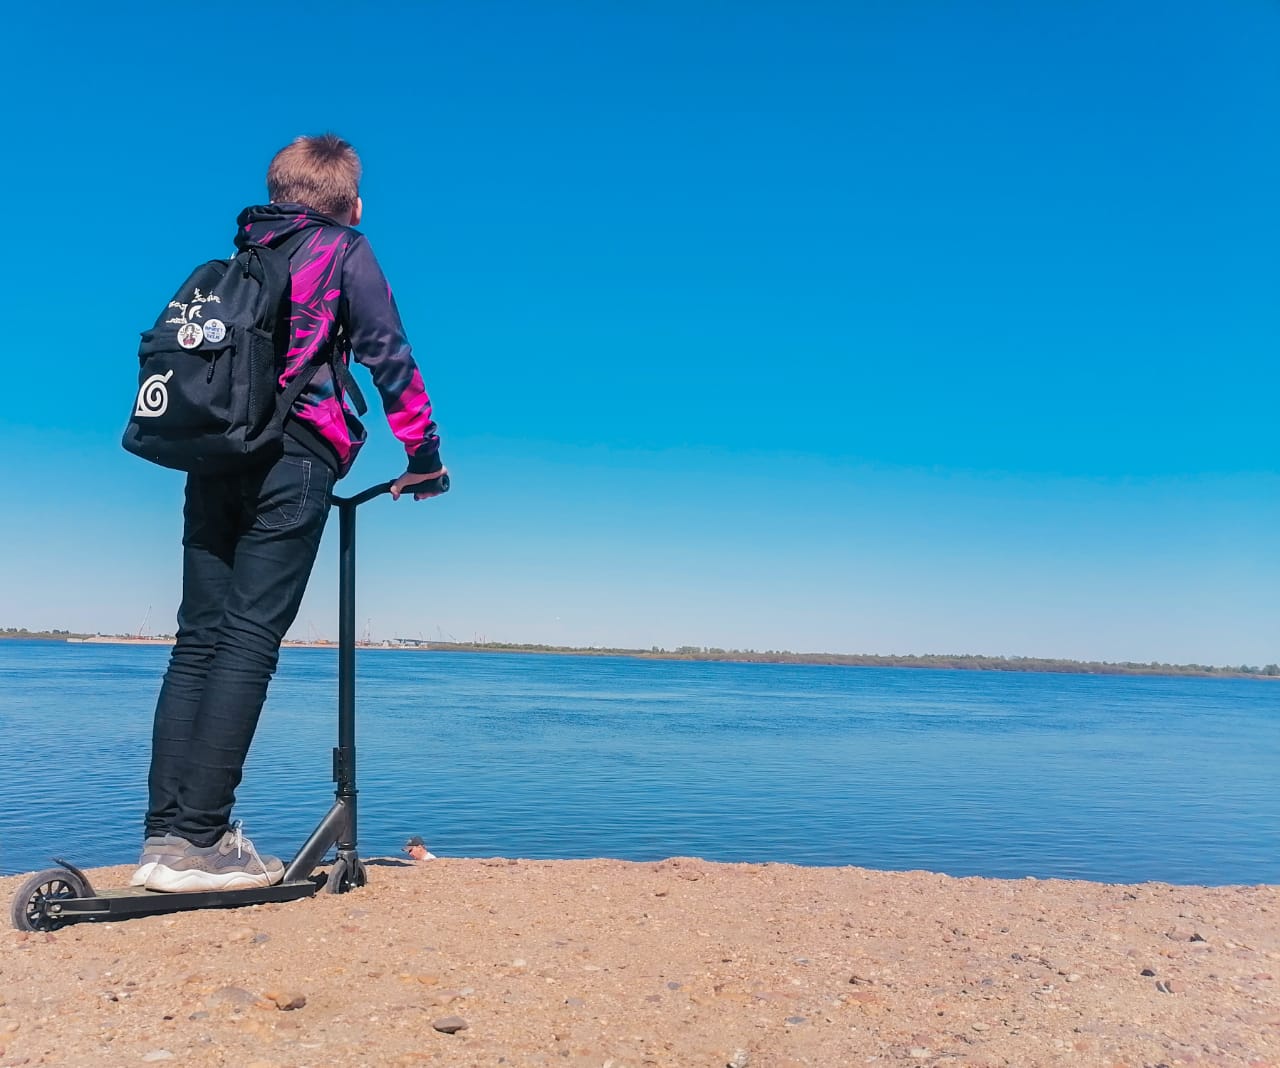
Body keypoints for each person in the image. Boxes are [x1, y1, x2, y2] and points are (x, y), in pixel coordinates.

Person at [134, 134, 448, 893]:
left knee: (197, 639)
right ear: (351, 202)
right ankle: (204, 841)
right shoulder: (345, 249)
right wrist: (424, 457)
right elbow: (388, 354)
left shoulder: (239, 258)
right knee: (247, 639)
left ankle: (165, 838)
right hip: (296, 452)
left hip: (215, 452)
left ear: (278, 191)